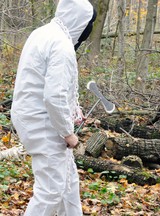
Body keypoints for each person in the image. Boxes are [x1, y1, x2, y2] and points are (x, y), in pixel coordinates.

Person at [10, 0, 96, 215]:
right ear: (80, 21)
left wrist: (72, 109)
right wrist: (68, 133)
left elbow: (44, 83)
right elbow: (54, 97)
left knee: (68, 179)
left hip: (34, 117)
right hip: (42, 124)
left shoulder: (43, 33)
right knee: (51, 190)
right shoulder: (61, 45)